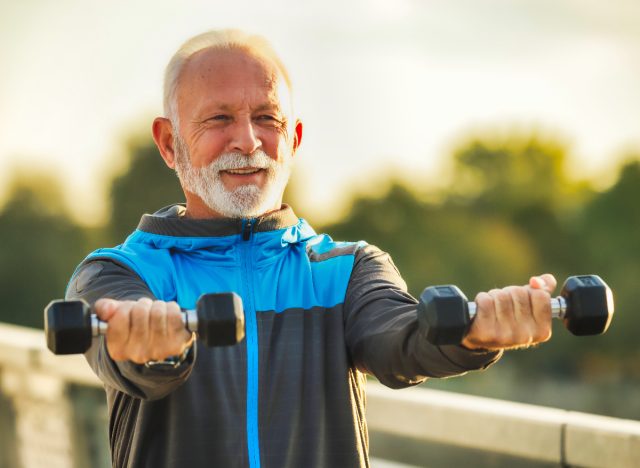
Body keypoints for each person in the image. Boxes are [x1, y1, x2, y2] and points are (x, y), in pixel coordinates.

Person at [66, 29, 556, 468]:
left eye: (267, 118)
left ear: (293, 138)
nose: (248, 139)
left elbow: (404, 344)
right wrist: (152, 346)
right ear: (170, 143)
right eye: (218, 119)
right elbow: (129, 362)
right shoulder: (116, 274)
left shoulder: (349, 269)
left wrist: (476, 332)